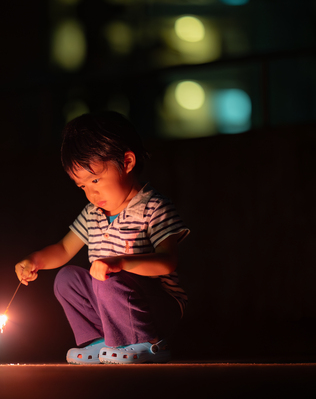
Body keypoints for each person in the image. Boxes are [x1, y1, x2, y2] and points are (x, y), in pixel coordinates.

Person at [15, 111, 190, 364]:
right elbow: (64, 249)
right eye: (83, 186)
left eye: (95, 179)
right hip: (109, 304)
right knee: (67, 278)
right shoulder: (92, 214)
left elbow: (167, 261)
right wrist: (34, 261)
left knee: (108, 279)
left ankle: (148, 343)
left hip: (156, 309)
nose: (91, 193)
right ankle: (100, 341)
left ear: (127, 162)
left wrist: (120, 263)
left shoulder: (154, 207)